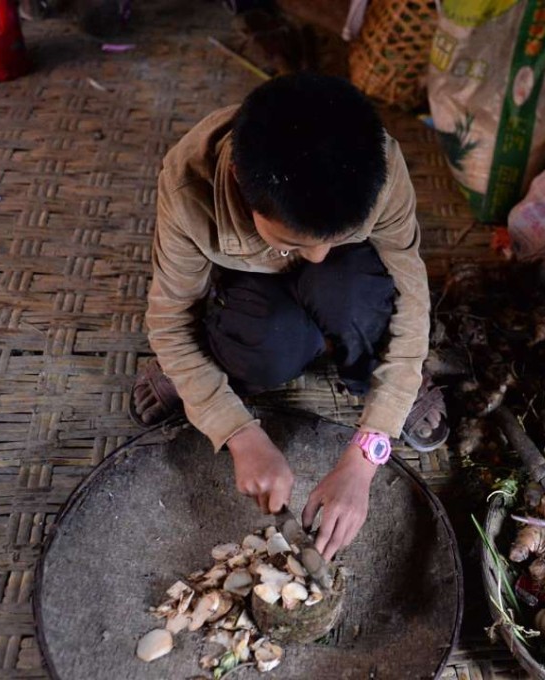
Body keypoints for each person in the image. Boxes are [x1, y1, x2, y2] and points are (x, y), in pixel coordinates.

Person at [130, 73, 448, 560]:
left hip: (349, 277)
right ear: (238, 177)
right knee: (265, 346)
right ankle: (207, 365)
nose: (315, 254)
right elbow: (171, 317)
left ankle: (385, 380)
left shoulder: (376, 164)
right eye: (297, 240)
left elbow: (411, 291)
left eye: (332, 237)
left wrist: (368, 451)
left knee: (355, 296)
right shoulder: (187, 184)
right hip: (249, 286)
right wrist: (238, 432)